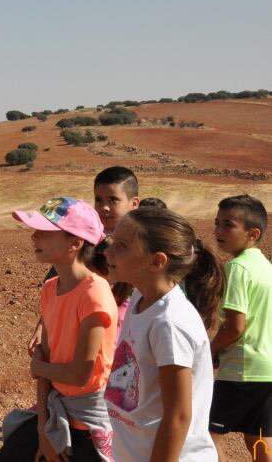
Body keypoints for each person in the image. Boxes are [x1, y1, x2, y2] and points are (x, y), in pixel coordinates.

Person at [0, 198, 116, 462]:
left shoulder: (95, 294)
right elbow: (45, 356)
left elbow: (79, 374)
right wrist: (43, 430)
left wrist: (39, 369)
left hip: (87, 426)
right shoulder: (51, 288)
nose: (34, 236)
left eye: (45, 232)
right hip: (55, 414)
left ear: (75, 243)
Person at [103, 208, 222, 461]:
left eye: (121, 245)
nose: (108, 251)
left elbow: (178, 416)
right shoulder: (139, 299)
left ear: (156, 261)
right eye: (112, 240)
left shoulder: (169, 323)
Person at [29, 167, 140, 354]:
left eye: (113, 200)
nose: (104, 207)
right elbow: (60, 289)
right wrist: (42, 326)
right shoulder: (86, 246)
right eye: (98, 200)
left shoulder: (143, 248)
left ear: (134, 203)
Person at [209, 195, 272, 461]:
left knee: (207, 435)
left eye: (228, 225)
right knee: (258, 437)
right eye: (217, 223)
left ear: (252, 233)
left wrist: (208, 349)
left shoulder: (236, 268)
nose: (218, 231)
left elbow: (235, 326)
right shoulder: (266, 267)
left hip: (241, 370)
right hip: (266, 368)